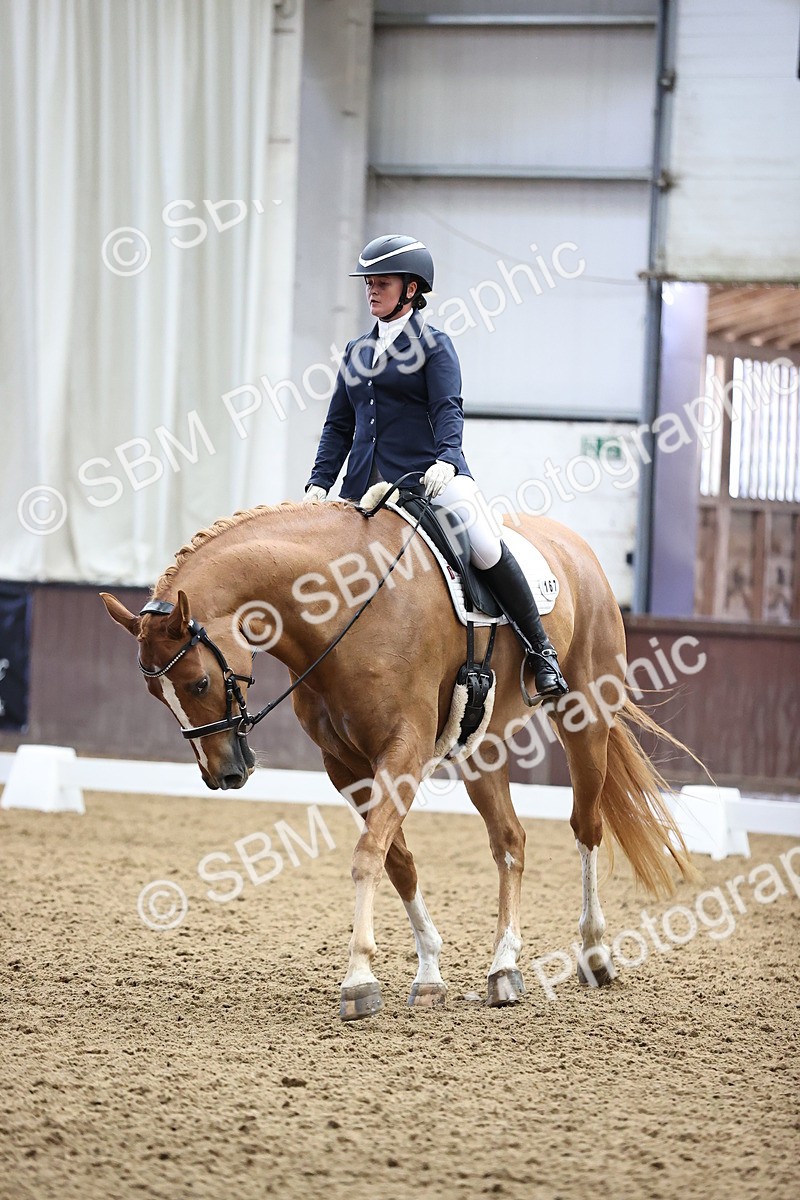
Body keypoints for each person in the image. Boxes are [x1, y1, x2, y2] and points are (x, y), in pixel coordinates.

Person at [303, 234, 568, 698]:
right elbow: (337, 426)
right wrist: (319, 482)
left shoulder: (434, 345)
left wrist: (447, 459)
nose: (371, 291)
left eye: (382, 283)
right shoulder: (356, 351)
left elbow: (448, 408)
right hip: (362, 485)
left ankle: (541, 652)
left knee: (484, 544)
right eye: (369, 283)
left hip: (427, 477)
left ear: (410, 289)